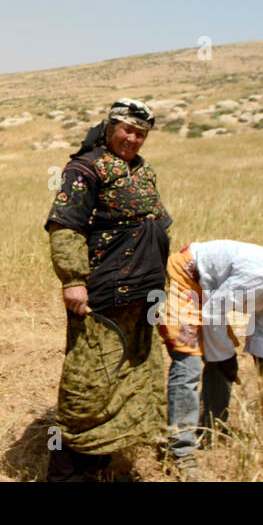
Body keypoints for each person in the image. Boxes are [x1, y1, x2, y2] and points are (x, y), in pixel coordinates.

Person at [44, 98, 172, 481]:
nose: (133, 139)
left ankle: (101, 463)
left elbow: (159, 220)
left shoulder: (143, 172)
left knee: (129, 376)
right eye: (128, 130)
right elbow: (66, 226)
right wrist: (73, 280)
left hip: (143, 294)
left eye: (141, 134)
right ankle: (68, 473)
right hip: (103, 294)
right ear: (110, 127)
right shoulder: (85, 169)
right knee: (90, 381)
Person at [158, 235, 263, 480]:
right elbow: (215, 309)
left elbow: (259, 329)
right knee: (190, 360)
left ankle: (213, 430)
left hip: (211, 293)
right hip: (189, 275)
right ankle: (179, 449)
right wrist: (225, 357)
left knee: (221, 357)